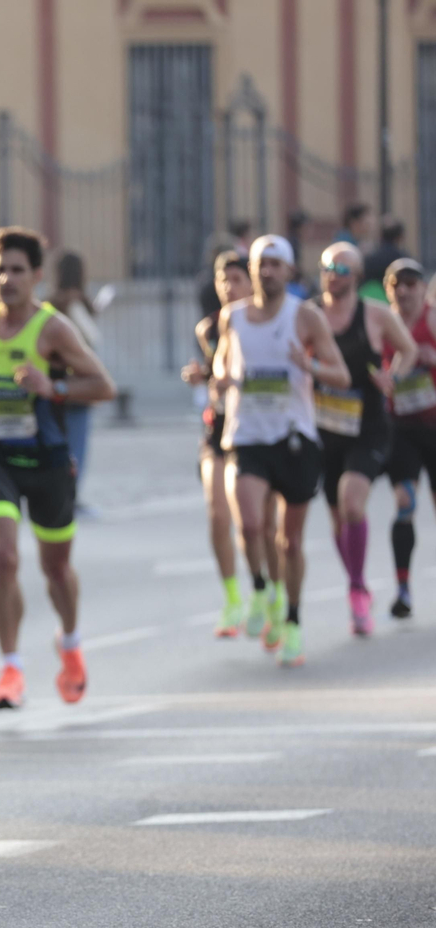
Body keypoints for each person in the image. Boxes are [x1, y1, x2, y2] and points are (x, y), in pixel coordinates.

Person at [0, 227, 116, 711]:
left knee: (55, 568)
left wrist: (53, 388)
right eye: (1, 270)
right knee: (4, 558)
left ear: (37, 276)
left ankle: (70, 645)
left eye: (18, 270)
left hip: (47, 460)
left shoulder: (53, 329)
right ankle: (11, 669)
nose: (8, 279)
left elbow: (103, 386)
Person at [211, 235, 350, 667]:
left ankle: (292, 620)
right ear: (251, 270)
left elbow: (341, 375)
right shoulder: (231, 316)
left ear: (289, 271)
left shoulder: (304, 316)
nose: (266, 271)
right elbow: (223, 360)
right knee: (250, 523)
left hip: (294, 437)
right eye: (260, 264)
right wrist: (217, 378)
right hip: (247, 434)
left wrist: (308, 365)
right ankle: (259, 589)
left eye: (275, 264)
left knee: (289, 542)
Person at [313, 242, 415, 635]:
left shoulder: (374, 315)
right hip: (325, 425)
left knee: (353, 502)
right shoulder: (309, 315)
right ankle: (356, 581)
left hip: (368, 422)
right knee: (338, 517)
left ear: (356, 277)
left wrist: (394, 377)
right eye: (327, 265)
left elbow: (405, 351)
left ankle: (357, 590)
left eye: (341, 267)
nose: (333, 272)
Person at [184, 250, 282, 638]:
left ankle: (272, 594)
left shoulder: (271, 322)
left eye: (236, 279)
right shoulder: (208, 328)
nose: (228, 287)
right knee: (218, 514)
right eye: (222, 279)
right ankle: (233, 598)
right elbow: (215, 372)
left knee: (261, 524)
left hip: (260, 430)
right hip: (219, 429)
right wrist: (203, 376)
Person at [384, 258, 436, 618]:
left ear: (422, 289)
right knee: (405, 503)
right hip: (400, 428)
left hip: (434, 426)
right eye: (396, 284)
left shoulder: (432, 319)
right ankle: (403, 590)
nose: (403, 291)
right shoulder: (382, 323)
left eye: (410, 284)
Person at [48, 252, 101, 501]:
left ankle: (57, 495)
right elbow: (92, 339)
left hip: (51, 383)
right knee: (76, 446)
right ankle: (69, 497)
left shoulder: (47, 303)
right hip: (78, 384)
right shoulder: (76, 303)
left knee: (54, 443)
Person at [362, 218, 408, 303]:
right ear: (400, 237)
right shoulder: (405, 260)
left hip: (372, 303)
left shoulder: (370, 259)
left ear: (380, 236)